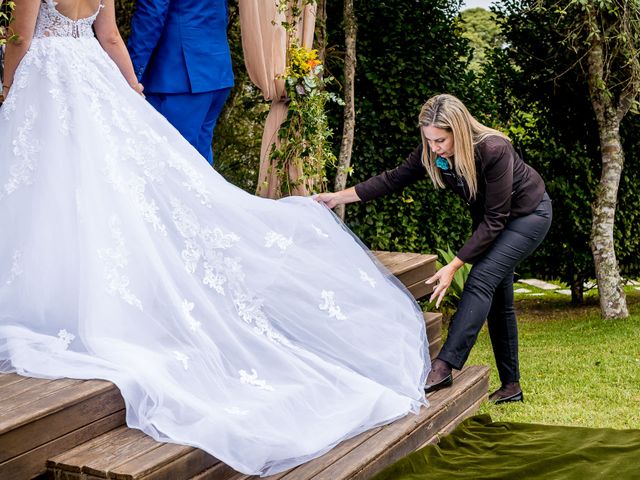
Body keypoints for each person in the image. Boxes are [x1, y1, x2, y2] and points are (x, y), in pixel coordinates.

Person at [0, 0, 429, 476]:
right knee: (167, 185)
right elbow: (112, 38)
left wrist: (7, 89)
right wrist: (127, 89)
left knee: (71, 189)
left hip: (81, 79)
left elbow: (19, 38)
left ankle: (89, 285)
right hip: (169, 74)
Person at [316, 94, 552, 405]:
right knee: (499, 301)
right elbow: (392, 179)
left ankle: (444, 366)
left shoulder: (494, 149)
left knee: (480, 279)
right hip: (493, 222)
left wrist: (453, 264)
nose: (434, 148)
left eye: (440, 140)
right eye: (429, 140)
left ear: (459, 130)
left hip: (527, 217)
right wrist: (337, 197)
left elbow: (497, 218)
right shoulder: (431, 153)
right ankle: (511, 387)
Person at [127, 0, 233, 165]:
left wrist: (130, 73)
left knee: (170, 166)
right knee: (200, 168)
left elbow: (151, 14)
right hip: (215, 70)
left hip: (179, 75)